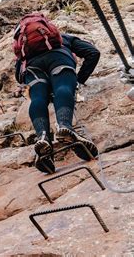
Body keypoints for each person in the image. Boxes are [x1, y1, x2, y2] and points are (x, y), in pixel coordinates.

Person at [14, 22, 100, 174]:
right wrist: (78, 80)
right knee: (63, 87)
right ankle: (64, 126)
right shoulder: (63, 38)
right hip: (60, 59)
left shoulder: (24, 50)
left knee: (38, 99)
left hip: (32, 69)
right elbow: (93, 52)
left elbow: (18, 76)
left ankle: (43, 137)